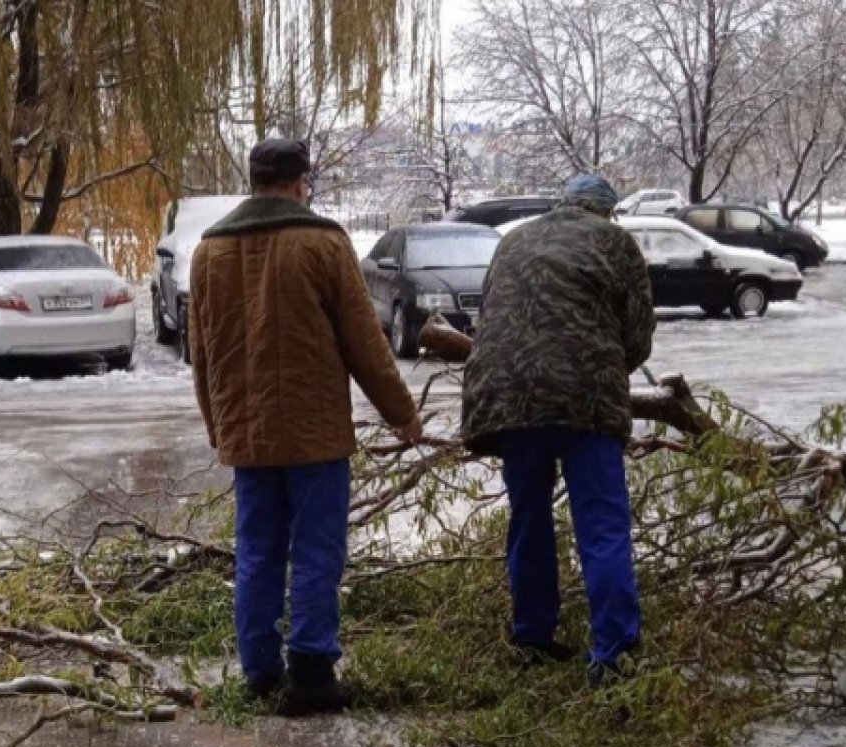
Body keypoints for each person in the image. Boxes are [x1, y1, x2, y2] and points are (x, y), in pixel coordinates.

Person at [189, 138, 423, 715]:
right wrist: (402, 414)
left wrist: (218, 426)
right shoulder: (322, 243)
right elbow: (365, 342)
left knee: (257, 551)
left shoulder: (207, 253)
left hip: (249, 434)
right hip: (315, 433)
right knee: (317, 550)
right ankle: (313, 673)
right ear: (300, 182)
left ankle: (261, 673)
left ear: (254, 180)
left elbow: (203, 352)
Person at [460, 174, 656, 689]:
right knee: (602, 525)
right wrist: (603, 366)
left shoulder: (515, 239)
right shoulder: (615, 242)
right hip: (584, 402)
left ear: (564, 203)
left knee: (529, 519)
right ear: (606, 211)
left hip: (507, 398)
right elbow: (637, 336)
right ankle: (612, 654)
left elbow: (492, 317)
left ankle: (532, 638)